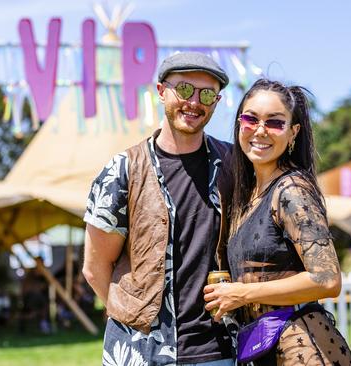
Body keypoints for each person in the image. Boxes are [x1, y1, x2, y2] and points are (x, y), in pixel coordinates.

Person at [82, 52, 234, 366]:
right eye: (184, 90)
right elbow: (95, 268)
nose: (194, 102)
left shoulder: (233, 164)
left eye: (206, 94)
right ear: (162, 91)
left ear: (216, 101)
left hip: (217, 350)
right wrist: (132, 318)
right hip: (140, 352)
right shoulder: (123, 169)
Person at [203, 79, 351, 365]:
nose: (260, 130)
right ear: (239, 125)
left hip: (303, 347)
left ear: (293, 133)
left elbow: (327, 279)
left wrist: (243, 293)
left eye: (275, 123)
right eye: (250, 119)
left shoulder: (292, 190)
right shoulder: (248, 196)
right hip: (265, 348)